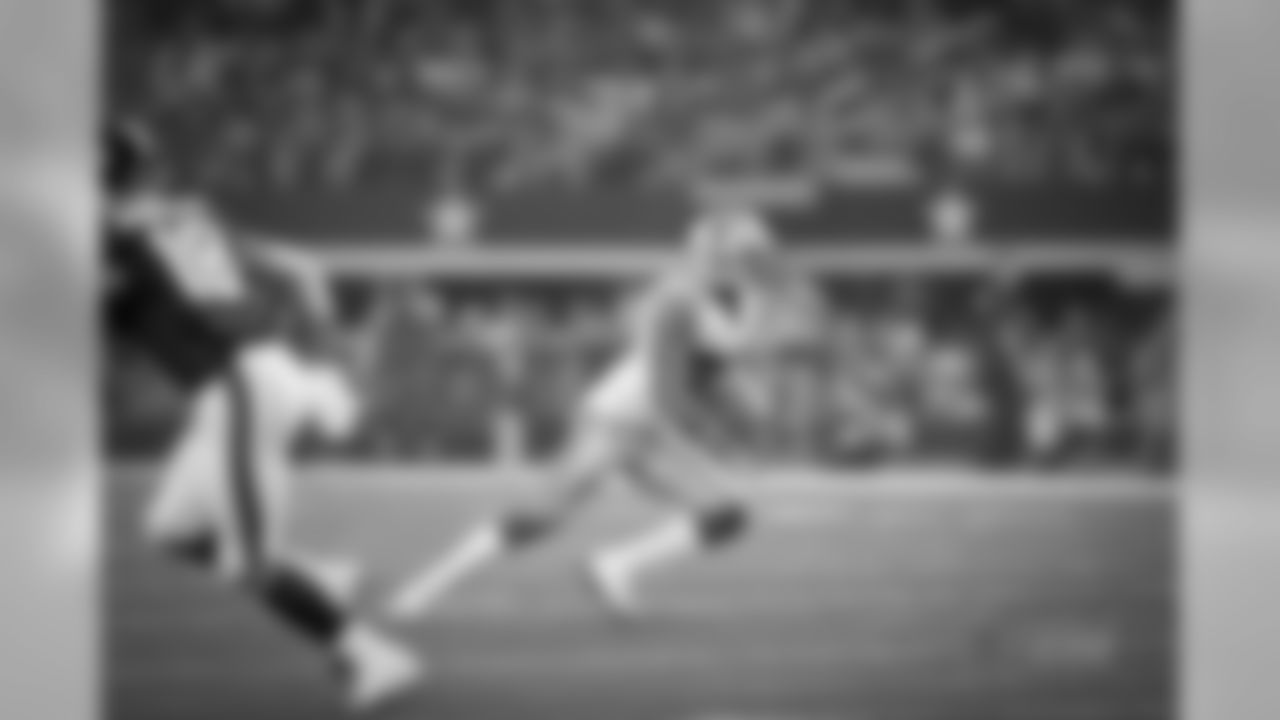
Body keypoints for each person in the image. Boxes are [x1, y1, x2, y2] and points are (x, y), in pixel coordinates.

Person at [103, 121, 422, 711]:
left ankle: (372, 655)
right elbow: (303, 267)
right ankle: (324, 576)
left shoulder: (112, 237)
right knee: (172, 532)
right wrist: (333, 355)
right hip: (254, 376)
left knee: (252, 567)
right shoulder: (187, 214)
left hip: (235, 387)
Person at [387, 210, 820, 620]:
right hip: (619, 419)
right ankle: (426, 585)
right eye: (745, 253)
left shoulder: (734, 299)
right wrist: (720, 442)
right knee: (540, 518)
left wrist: (736, 414)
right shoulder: (680, 300)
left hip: (653, 426)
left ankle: (616, 566)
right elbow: (675, 388)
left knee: (726, 515)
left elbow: (722, 363)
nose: (755, 261)